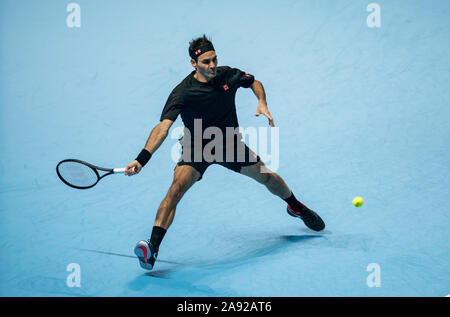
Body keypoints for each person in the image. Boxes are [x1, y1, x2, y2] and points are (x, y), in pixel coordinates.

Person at [125, 35, 325, 271]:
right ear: (193, 64)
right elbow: (162, 127)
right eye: (206, 62)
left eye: (214, 59)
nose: (212, 66)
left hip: (230, 144)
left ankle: (295, 207)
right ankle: (153, 248)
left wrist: (262, 101)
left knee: (267, 177)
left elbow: (254, 82)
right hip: (197, 146)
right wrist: (141, 159)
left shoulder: (227, 74)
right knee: (176, 189)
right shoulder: (182, 93)